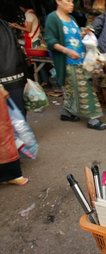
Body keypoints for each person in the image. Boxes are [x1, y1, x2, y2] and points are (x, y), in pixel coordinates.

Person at [44, 0, 106, 130]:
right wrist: (67, 51)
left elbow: (75, 36)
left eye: (72, 1)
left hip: (80, 60)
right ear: (58, 2)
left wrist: (83, 33)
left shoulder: (71, 18)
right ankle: (92, 118)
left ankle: (67, 112)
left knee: (71, 89)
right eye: (68, 1)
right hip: (67, 62)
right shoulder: (52, 18)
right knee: (86, 88)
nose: (72, 4)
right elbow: (50, 40)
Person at [0, 3, 29, 186]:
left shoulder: (5, 25)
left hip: (13, 81)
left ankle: (11, 169)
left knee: (14, 124)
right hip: (6, 83)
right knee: (6, 129)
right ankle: (10, 172)